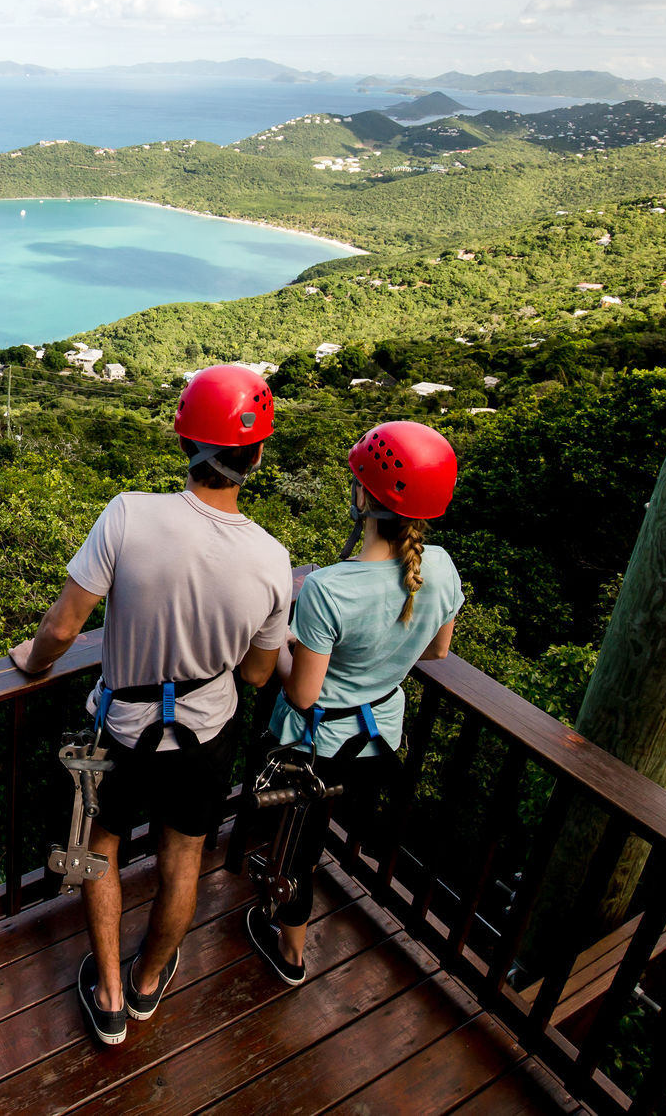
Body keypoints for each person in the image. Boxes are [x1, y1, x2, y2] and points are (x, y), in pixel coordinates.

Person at [9, 364, 291, 1046]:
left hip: (122, 727)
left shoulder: (129, 513)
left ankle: (106, 991)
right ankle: (146, 982)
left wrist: (32, 660)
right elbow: (257, 674)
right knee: (183, 859)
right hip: (206, 733)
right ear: (256, 456)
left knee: (97, 847)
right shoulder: (272, 559)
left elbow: (62, 628)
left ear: (183, 439)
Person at [245, 420, 462, 985]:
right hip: (381, 737)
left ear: (364, 495)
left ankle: (290, 954)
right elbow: (437, 651)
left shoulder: (327, 589)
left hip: (317, 746)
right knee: (318, 834)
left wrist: (285, 644)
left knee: (299, 843)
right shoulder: (439, 568)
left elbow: (301, 692)